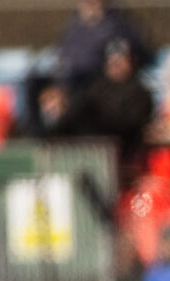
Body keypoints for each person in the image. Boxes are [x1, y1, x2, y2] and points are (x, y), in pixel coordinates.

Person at [53, 39, 154, 169]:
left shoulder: (139, 91)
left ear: (131, 62)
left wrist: (101, 116)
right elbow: (79, 109)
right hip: (89, 142)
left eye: (120, 60)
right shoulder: (97, 87)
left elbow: (132, 123)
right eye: (112, 60)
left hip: (120, 145)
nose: (116, 64)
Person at [53, 0, 148, 90]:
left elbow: (124, 62)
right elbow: (63, 57)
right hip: (70, 81)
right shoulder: (73, 27)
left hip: (98, 84)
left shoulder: (119, 27)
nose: (88, 5)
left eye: (92, 2)